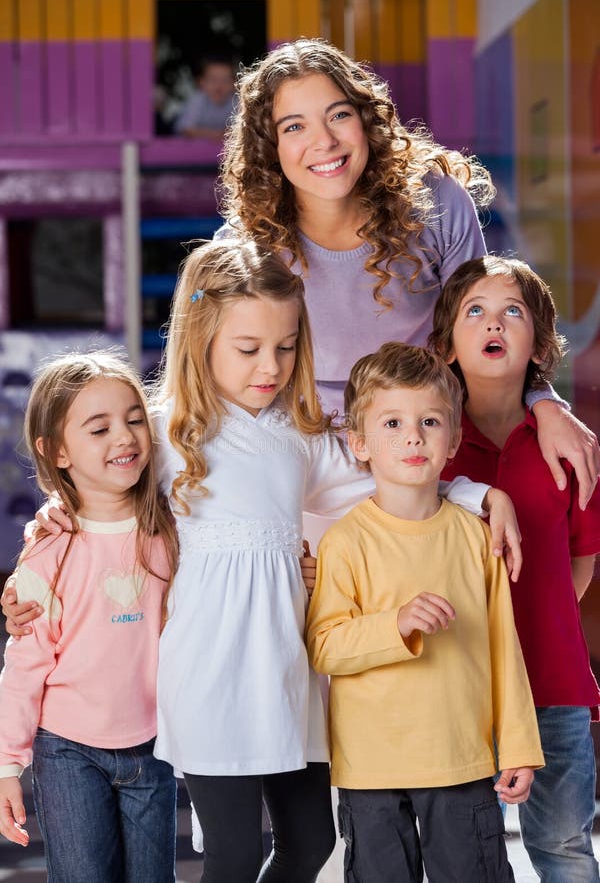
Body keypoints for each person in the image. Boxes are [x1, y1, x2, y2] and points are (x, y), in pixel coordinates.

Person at [2, 240, 522, 882]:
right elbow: (96, 495)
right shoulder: (164, 432)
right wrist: (50, 518)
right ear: (202, 340)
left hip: (288, 670)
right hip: (210, 674)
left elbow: (390, 471)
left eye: (285, 345)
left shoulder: (299, 437)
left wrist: (476, 492)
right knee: (235, 852)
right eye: (248, 349)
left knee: (312, 844)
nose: (270, 366)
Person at [215, 36, 600, 506]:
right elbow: (217, 378)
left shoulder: (435, 202)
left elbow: (488, 326)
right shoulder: (246, 245)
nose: (324, 141)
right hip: (302, 454)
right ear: (269, 146)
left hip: (426, 441)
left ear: (365, 120)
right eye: (294, 126)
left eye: (338, 114)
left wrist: (546, 403)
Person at [305, 341, 545, 883]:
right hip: (371, 768)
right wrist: (397, 623)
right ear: (359, 443)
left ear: (454, 438)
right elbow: (325, 646)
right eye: (392, 423)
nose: (413, 436)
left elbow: (505, 649)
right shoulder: (346, 543)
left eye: (430, 421)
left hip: (463, 760)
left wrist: (520, 747)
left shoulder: (475, 538)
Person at [429, 255, 600, 882]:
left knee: (564, 847)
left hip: (553, 684)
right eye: (473, 312)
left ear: (538, 344)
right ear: (447, 344)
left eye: (512, 313)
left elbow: (581, 558)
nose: (492, 323)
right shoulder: (432, 446)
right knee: (467, 857)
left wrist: (540, 621)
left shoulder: (568, 447)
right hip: (459, 683)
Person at [0, 352, 179, 882]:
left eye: (133, 420)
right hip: (67, 752)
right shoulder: (48, 550)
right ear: (56, 451)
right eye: (98, 429)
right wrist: (8, 765)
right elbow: (24, 665)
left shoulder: (172, 530)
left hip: (153, 745)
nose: (123, 438)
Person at [174, 55, 236, 139]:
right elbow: (187, 129)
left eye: (225, 80)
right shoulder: (197, 100)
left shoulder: (236, 102)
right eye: (213, 80)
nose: (219, 86)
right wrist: (217, 135)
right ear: (201, 82)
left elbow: (241, 130)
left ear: (234, 83)